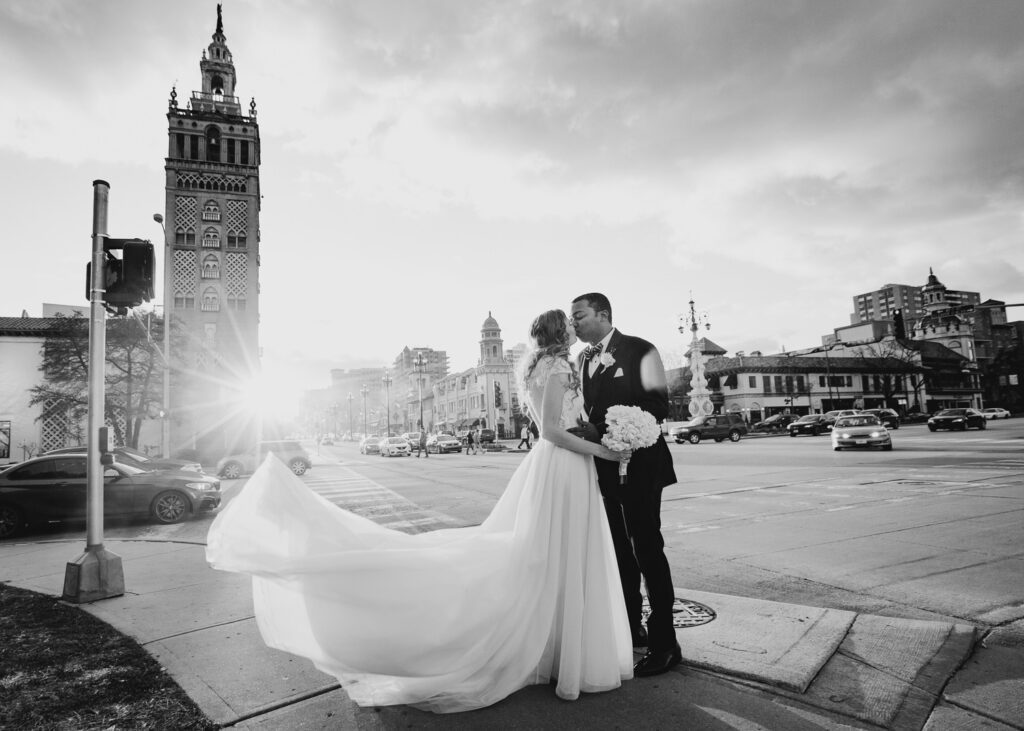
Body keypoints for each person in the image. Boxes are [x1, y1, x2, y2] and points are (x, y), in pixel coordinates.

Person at [205, 308, 633, 713]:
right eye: (570, 323)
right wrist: (602, 450)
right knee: (555, 555)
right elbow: (555, 431)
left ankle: (552, 647)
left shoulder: (536, 368)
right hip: (563, 466)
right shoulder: (557, 368)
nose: (576, 328)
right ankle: (558, 650)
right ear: (560, 333)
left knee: (547, 556)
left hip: (552, 468)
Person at [569, 292, 681, 677]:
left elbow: (658, 406)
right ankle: (631, 628)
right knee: (619, 554)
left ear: (603, 314)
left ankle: (666, 642)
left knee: (647, 550)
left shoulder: (640, 350)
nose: (574, 323)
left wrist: (600, 428)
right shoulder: (582, 360)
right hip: (606, 469)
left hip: (643, 466)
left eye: (580, 316)